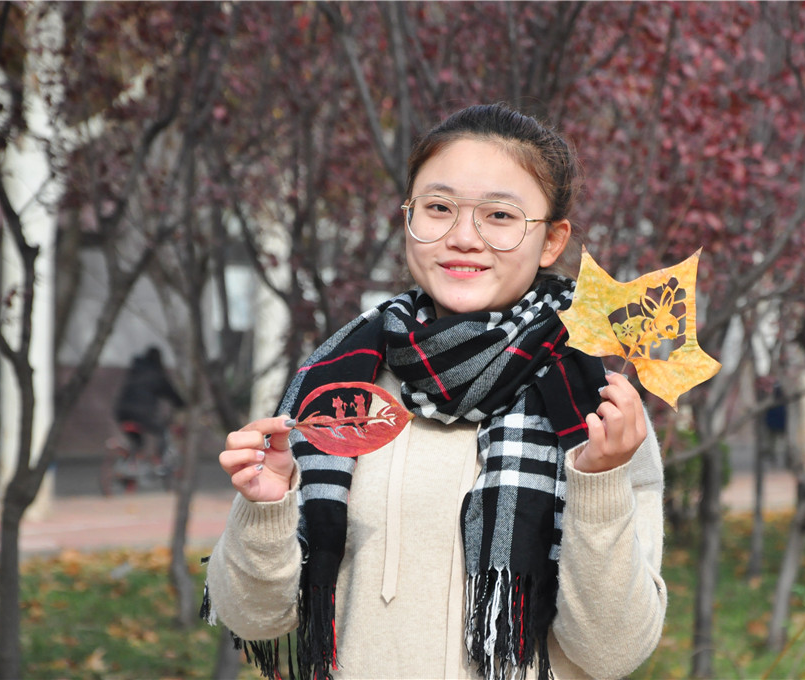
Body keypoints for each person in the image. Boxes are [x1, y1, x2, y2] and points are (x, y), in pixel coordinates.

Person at [202, 103, 667, 680]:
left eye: (499, 215)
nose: (463, 238)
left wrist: (599, 481)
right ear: (408, 219)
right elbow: (253, 619)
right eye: (439, 208)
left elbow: (613, 651)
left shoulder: (592, 403)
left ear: (551, 241)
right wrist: (266, 509)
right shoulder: (340, 380)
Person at [113, 346, 184, 460]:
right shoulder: (156, 374)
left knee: (136, 441)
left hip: (122, 413)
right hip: (142, 414)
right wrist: (182, 404)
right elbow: (171, 394)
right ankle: (159, 461)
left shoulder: (135, 371)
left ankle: (129, 462)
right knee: (163, 432)